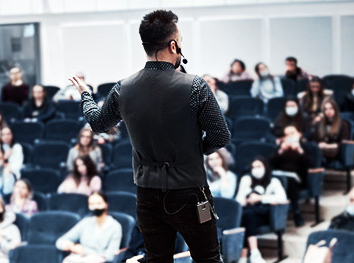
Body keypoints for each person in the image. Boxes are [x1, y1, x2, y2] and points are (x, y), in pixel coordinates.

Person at [69, 10, 230, 262]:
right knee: (208, 259)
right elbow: (220, 136)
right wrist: (194, 151)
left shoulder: (123, 88)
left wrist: (86, 95)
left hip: (146, 192)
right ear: (174, 45)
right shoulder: (195, 86)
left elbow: (99, 123)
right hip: (190, 191)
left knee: (157, 260)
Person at [236, 157, 287, 263]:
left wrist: (260, 198)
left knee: (245, 217)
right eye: (253, 167)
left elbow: (283, 198)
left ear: (265, 167)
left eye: (259, 166)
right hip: (249, 213)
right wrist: (247, 200)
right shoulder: (246, 179)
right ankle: (254, 253)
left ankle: (244, 257)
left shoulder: (273, 181)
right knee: (247, 216)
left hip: (265, 215)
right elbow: (238, 199)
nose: (256, 169)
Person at [56, 192, 122, 263]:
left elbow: (110, 256)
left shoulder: (115, 226)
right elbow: (60, 242)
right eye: (92, 204)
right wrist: (72, 247)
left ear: (106, 204)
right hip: (78, 259)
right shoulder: (85, 222)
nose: (95, 207)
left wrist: (85, 251)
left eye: (99, 203)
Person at [271, 125, 311, 226]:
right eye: (287, 135)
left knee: (291, 181)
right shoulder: (281, 148)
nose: (289, 136)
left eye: (292, 133)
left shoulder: (305, 146)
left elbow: (310, 165)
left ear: (299, 134)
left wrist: (299, 151)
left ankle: (296, 212)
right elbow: (271, 164)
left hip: (298, 178)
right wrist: (281, 151)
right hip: (281, 176)